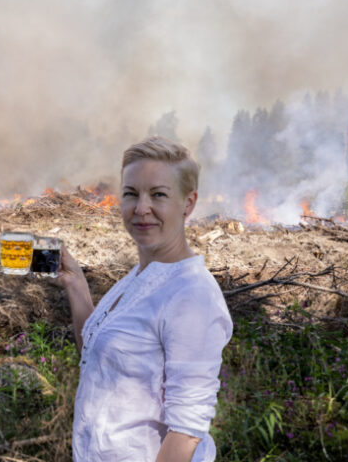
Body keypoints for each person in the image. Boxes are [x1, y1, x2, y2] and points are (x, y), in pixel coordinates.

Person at [58, 136, 232, 462]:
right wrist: (76, 284)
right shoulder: (140, 277)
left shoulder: (191, 295)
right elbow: (99, 354)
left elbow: (186, 431)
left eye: (158, 195)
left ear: (188, 204)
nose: (141, 209)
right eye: (130, 194)